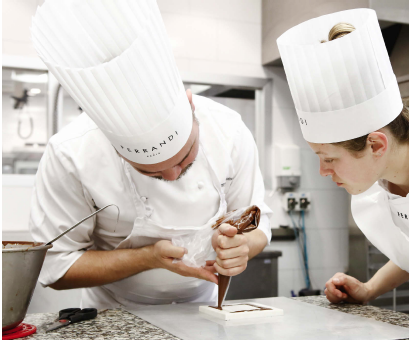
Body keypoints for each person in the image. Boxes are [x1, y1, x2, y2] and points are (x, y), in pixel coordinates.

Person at [29, 0, 272, 309]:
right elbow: (55, 268)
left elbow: (257, 222)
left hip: (204, 309)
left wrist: (243, 247)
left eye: (185, 159)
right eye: (151, 172)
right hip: (115, 312)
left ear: (190, 105)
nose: (171, 176)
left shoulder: (230, 131)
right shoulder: (70, 153)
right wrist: (148, 258)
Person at [278, 8, 409, 329]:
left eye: (329, 158)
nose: (323, 171)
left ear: (376, 145)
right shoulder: (377, 187)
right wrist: (369, 289)